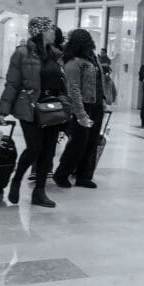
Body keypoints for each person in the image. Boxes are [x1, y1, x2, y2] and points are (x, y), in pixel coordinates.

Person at [0, 17, 68, 208]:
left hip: (52, 108)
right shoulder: (22, 53)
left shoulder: (56, 54)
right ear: (40, 32)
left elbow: (62, 84)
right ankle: (17, 180)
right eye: (50, 29)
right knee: (34, 148)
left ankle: (40, 191)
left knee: (48, 151)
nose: (54, 32)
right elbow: (12, 83)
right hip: (30, 106)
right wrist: (3, 111)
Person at [54, 29, 107, 189]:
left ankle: (84, 176)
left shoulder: (93, 59)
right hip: (82, 106)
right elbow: (74, 89)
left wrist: (103, 100)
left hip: (96, 106)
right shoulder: (73, 62)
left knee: (91, 142)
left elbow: (100, 81)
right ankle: (62, 173)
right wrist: (81, 114)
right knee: (78, 143)